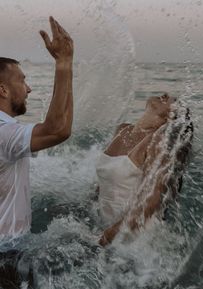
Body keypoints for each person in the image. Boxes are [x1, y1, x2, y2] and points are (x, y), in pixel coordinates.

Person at [0, 16, 73, 287]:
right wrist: (64, 63)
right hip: (5, 256)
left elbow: (62, 129)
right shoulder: (4, 135)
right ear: (3, 89)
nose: (28, 88)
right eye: (22, 80)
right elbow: (56, 129)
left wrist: (67, 69)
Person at [96, 94, 193, 246]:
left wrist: (111, 234)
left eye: (174, 101)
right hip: (105, 224)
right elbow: (107, 179)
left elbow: (152, 201)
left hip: (134, 238)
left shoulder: (158, 142)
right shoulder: (123, 130)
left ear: (170, 118)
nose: (166, 95)